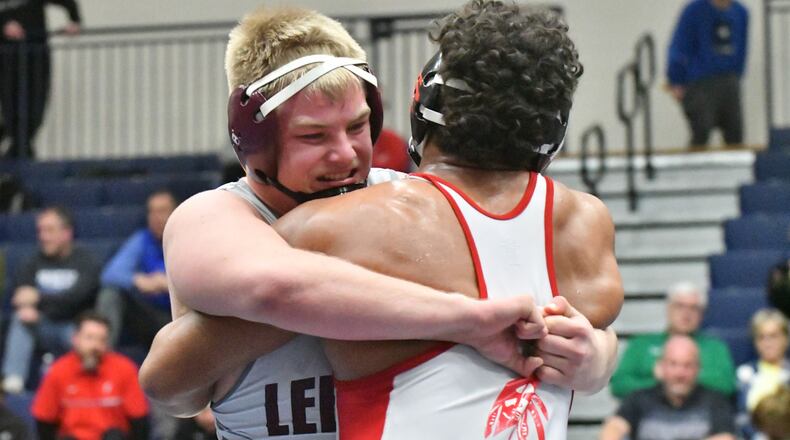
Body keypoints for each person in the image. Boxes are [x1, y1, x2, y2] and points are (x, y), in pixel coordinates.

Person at [139, 4, 619, 437]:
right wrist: (467, 318)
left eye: (356, 126)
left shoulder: (396, 206)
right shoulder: (216, 217)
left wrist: (595, 359)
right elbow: (174, 384)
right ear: (254, 143)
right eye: (314, 136)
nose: (346, 153)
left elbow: (567, 309)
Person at [1, 206, 100, 394]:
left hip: (74, 328)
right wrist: (37, 306)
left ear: (66, 233)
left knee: (88, 333)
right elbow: (21, 297)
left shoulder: (85, 261)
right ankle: (13, 380)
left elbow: (79, 297)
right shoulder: (31, 261)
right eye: (40, 231)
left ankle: (85, 386)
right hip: (43, 325)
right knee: (20, 319)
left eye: (49, 230)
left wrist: (39, 298)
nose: (43, 236)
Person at [31, 311, 149, 440]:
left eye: (101, 340)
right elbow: (44, 421)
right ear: (75, 338)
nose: (95, 346)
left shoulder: (124, 369)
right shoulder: (58, 371)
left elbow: (139, 420)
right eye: (89, 338)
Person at [610, 281, 736, 398]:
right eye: (680, 306)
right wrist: (657, 382)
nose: (686, 313)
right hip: (647, 415)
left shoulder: (715, 347)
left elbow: (726, 385)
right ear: (668, 309)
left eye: (693, 308)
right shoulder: (642, 344)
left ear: (702, 314)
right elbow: (619, 386)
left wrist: (675, 375)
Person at [600, 335, 737, 440]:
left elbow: (726, 437)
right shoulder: (639, 398)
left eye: (687, 365)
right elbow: (614, 427)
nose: (680, 373)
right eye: (673, 364)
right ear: (661, 367)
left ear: (698, 369)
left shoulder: (715, 400)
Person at [0, 0, 81, 158]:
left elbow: (69, 3)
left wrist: (74, 20)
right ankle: (19, 149)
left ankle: (19, 148)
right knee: (11, 104)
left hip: (36, 54)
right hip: (8, 57)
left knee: (36, 103)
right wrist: (4, 24)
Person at [96, 189, 175, 349]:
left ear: (176, 212)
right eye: (151, 212)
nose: (156, 218)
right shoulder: (142, 239)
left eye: (161, 211)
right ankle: (102, 356)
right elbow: (109, 274)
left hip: (182, 316)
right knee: (110, 293)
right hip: (151, 314)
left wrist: (169, 284)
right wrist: (138, 280)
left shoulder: (188, 238)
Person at [666, 0, 749, 148]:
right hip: (700, 81)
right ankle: (692, 168)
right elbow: (680, 45)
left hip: (729, 79)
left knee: (735, 133)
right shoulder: (694, 11)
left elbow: (741, 48)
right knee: (701, 130)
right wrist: (676, 79)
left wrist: (737, 75)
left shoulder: (741, 12)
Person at [736, 309, 790, 439]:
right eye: (761, 337)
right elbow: (740, 417)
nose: (767, 343)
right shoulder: (744, 374)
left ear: (786, 338)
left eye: (773, 336)